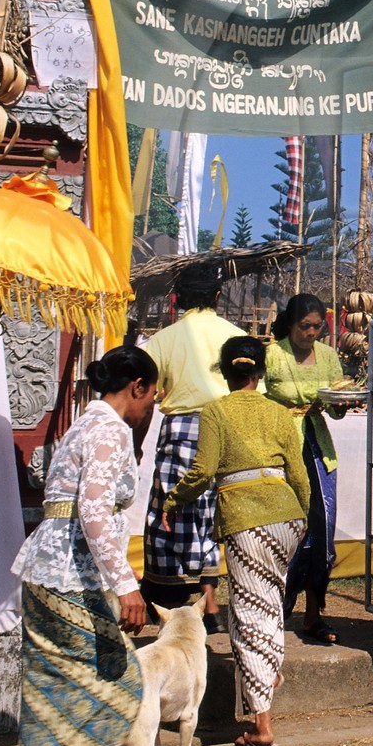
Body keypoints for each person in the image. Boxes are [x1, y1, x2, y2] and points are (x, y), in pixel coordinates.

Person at [163, 335, 310, 746]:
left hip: (247, 521)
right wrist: (303, 517)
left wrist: (173, 500)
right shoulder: (278, 412)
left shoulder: (215, 411)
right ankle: (268, 673)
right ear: (260, 373)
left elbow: (203, 471)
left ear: (225, 373)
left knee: (248, 616)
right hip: (287, 518)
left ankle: (263, 726)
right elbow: (299, 474)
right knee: (270, 606)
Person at [11, 345, 157, 746]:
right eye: (151, 398)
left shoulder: (82, 425)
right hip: (70, 575)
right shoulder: (110, 429)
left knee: (49, 684)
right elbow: (93, 508)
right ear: (137, 387)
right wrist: (126, 585)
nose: (149, 410)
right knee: (118, 679)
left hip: (45, 568)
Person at [142, 263, 245, 626]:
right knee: (211, 514)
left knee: (169, 514)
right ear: (217, 296)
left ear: (177, 298)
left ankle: (170, 601)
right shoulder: (235, 337)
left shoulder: (163, 339)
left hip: (180, 431)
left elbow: (145, 395)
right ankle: (210, 603)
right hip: (227, 427)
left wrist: (137, 444)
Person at [260, 292, 348, 645]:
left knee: (321, 529)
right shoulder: (272, 355)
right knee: (283, 529)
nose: (311, 333)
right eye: (304, 326)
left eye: (317, 327)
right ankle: (273, 610)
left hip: (317, 447)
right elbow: (256, 398)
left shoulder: (328, 356)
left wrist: (340, 404)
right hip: (279, 446)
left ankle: (313, 615)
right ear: (291, 324)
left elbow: (337, 406)